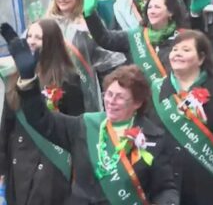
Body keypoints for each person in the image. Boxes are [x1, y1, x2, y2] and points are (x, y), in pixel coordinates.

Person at [3, 31, 179, 204]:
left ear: (137, 103)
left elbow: (164, 187)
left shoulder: (153, 138)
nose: (111, 101)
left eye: (120, 97)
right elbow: (41, 119)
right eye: (108, 94)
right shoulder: (85, 125)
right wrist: (28, 80)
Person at [149, 30, 213, 204]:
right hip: (166, 185)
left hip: (208, 183)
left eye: (186, 50)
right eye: (175, 49)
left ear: (201, 58)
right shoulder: (157, 90)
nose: (178, 53)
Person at [0, 20, 85, 205]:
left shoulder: (68, 79)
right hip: (18, 163)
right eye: (29, 36)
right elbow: (6, 126)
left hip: (51, 163)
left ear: (52, 42)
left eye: (38, 37)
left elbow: (76, 128)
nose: (31, 41)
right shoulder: (15, 77)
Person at [46, 0, 127, 111]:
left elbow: (108, 61)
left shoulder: (87, 25)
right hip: (51, 88)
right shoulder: (46, 24)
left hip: (80, 91)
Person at [84, 0, 186, 84]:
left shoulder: (182, 39)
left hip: (169, 100)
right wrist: (90, 15)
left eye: (157, 7)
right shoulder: (136, 36)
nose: (152, 11)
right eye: (150, 7)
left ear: (170, 12)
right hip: (139, 96)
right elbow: (105, 38)